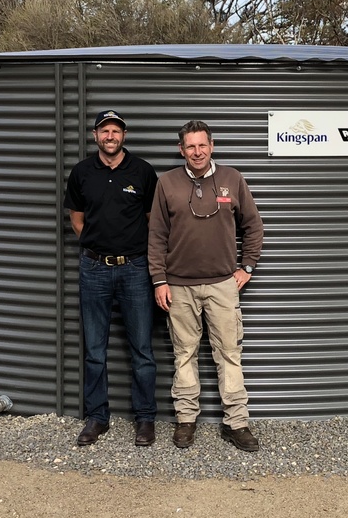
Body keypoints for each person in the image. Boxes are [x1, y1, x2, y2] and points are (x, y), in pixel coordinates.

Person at [147, 120, 264, 452]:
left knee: (229, 354)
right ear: (180, 149)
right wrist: (159, 280)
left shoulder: (232, 179)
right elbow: (156, 237)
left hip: (223, 286)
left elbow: (253, 226)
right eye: (190, 146)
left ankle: (236, 424)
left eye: (202, 145)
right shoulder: (167, 183)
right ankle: (186, 421)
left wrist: (247, 267)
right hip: (179, 287)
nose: (197, 152)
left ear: (211, 146)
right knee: (184, 355)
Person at [64, 110, 158, 447]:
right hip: (94, 270)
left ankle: (145, 418)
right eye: (105, 131)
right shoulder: (82, 173)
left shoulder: (143, 172)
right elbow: (76, 218)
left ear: (124, 135)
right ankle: (97, 418)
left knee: (142, 349)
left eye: (116, 131)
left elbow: (153, 220)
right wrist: (95, 246)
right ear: (95, 135)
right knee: (94, 350)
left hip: (134, 269)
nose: (110, 136)